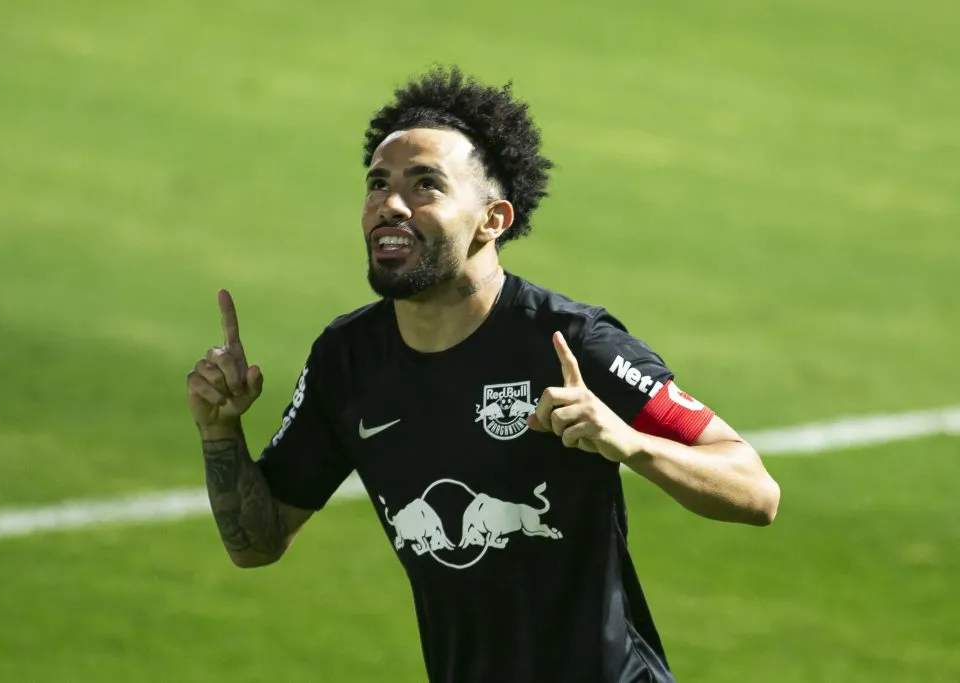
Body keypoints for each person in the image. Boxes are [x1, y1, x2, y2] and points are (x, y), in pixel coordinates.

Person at [186, 65, 781, 683]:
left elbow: (756, 491)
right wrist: (218, 431)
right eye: (378, 184)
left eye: (425, 186)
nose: (390, 204)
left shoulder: (571, 343)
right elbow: (256, 543)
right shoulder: (347, 360)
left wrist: (627, 442)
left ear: (492, 220)